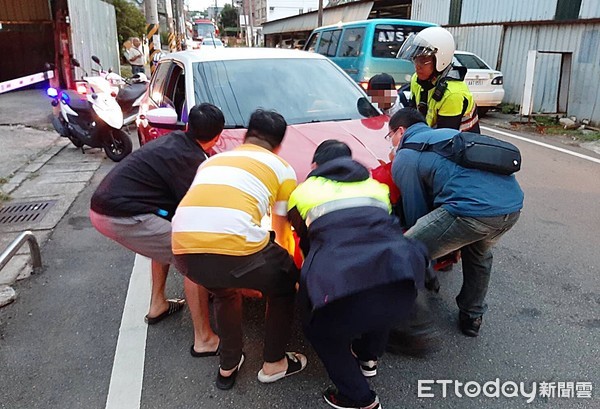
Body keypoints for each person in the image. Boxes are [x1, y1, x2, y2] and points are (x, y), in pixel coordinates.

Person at [172, 109, 307, 390]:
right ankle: (273, 363)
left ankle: (229, 364)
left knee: (224, 291)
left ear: (246, 136)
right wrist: (273, 273)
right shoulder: (282, 168)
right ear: (279, 144)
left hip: (184, 251)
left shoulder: (211, 162)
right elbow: (281, 230)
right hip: (234, 247)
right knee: (283, 284)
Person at [287, 140, 428, 409]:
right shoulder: (377, 188)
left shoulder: (304, 192)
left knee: (319, 330)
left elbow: (305, 242)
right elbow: (380, 228)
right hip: (397, 270)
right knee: (379, 294)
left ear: (316, 166)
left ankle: (360, 398)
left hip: (341, 274)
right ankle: (368, 358)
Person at [90, 103, 223, 356]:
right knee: (193, 255)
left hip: (104, 206)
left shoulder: (175, 140)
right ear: (218, 136)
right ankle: (204, 339)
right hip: (121, 214)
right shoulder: (192, 161)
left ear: (187, 126)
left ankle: (158, 304)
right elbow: (193, 215)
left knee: (166, 236)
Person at [390, 108, 523, 337]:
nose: (390, 142)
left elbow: (416, 212)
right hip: (511, 208)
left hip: (470, 211)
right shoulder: (444, 135)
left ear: (400, 131)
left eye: (389, 135)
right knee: (479, 253)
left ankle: (411, 326)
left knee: (406, 250)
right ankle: (472, 317)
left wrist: (426, 254)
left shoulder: (406, 154)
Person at [397, 26, 480, 132]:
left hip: (460, 144)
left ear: (441, 60)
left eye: (423, 60)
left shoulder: (453, 94)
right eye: (415, 59)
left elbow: (443, 139)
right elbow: (413, 116)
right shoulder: (417, 80)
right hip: (431, 136)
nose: (417, 66)